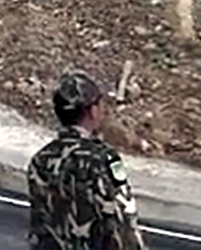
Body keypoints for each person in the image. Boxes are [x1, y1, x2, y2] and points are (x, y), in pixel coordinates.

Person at [27, 70, 145, 249]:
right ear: (93, 111)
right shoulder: (107, 159)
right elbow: (124, 217)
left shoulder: (40, 160)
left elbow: (40, 224)